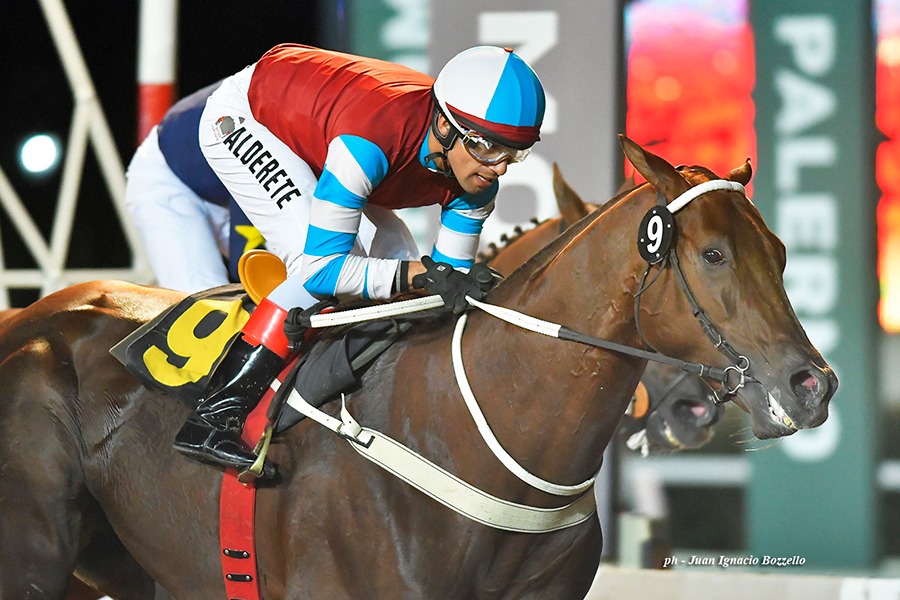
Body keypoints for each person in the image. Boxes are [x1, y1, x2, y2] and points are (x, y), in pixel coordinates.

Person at [172, 43, 546, 479]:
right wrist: (417, 275)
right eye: (485, 148)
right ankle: (215, 414)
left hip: (327, 127)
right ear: (445, 125)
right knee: (320, 267)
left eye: (513, 153)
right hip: (250, 117)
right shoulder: (371, 139)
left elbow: (445, 290)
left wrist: (448, 285)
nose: (498, 168)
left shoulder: (477, 184)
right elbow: (321, 271)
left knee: (405, 277)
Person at [125, 82, 267, 293]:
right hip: (170, 179)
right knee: (205, 300)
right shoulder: (270, 118)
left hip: (225, 181)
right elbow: (250, 258)